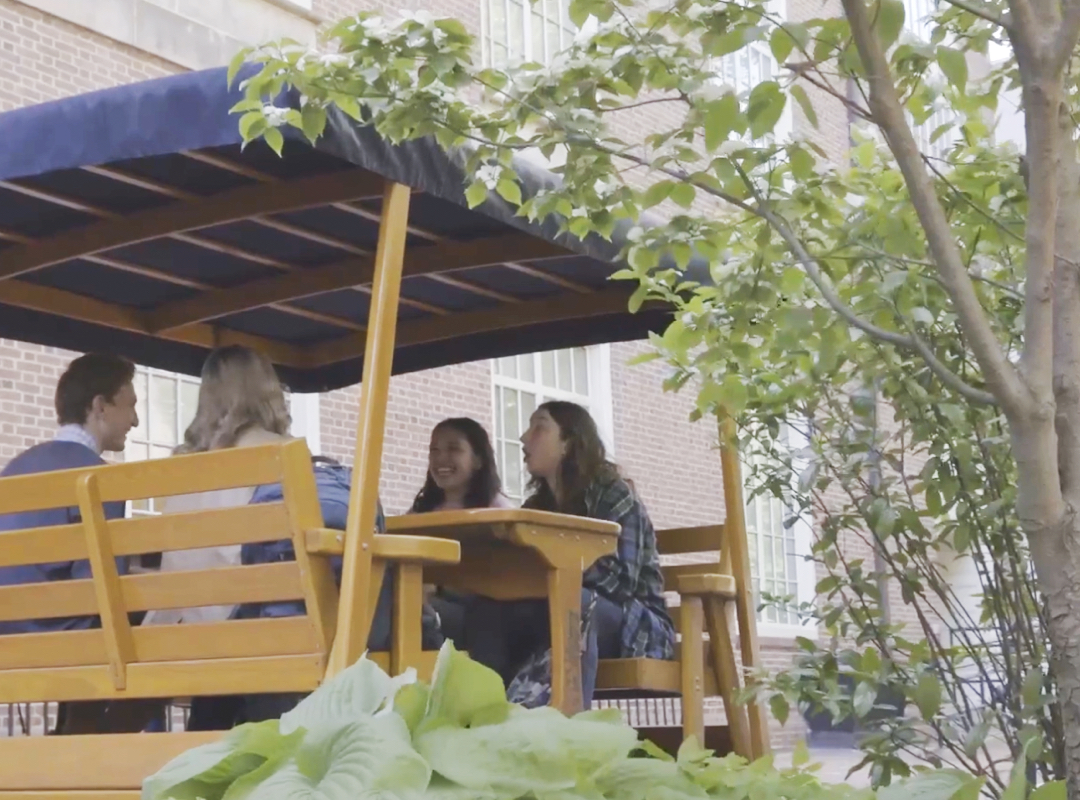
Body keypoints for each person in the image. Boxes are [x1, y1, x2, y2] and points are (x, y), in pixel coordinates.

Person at [463, 401, 675, 710]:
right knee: (487, 610)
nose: (524, 437)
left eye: (539, 427)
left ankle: (561, 723)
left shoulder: (613, 493)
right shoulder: (537, 506)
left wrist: (548, 573)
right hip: (555, 607)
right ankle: (488, 716)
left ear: (569, 442)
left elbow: (621, 581)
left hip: (631, 624)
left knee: (574, 602)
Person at [0, 352, 146, 733]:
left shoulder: (14, 470)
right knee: (160, 634)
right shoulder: (99, 479)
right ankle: (95, 752)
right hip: (69, 644)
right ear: (99, 406)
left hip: (7, 636)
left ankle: (72, 738)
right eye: (130, 405)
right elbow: (102, 592)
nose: (135, 420)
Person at [141, 344, 294, 626]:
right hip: (246, 629)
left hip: (174, 632)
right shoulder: (285, 453)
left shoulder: (179, 465)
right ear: (268, 392)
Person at [409, 417, 512, 645]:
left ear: (478, 460)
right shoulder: (419, 512)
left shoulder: (498, 511)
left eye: (454, 449)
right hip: (419, 601)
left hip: (479, 616)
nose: (441, 458)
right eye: (434, 450)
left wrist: (436, 586)